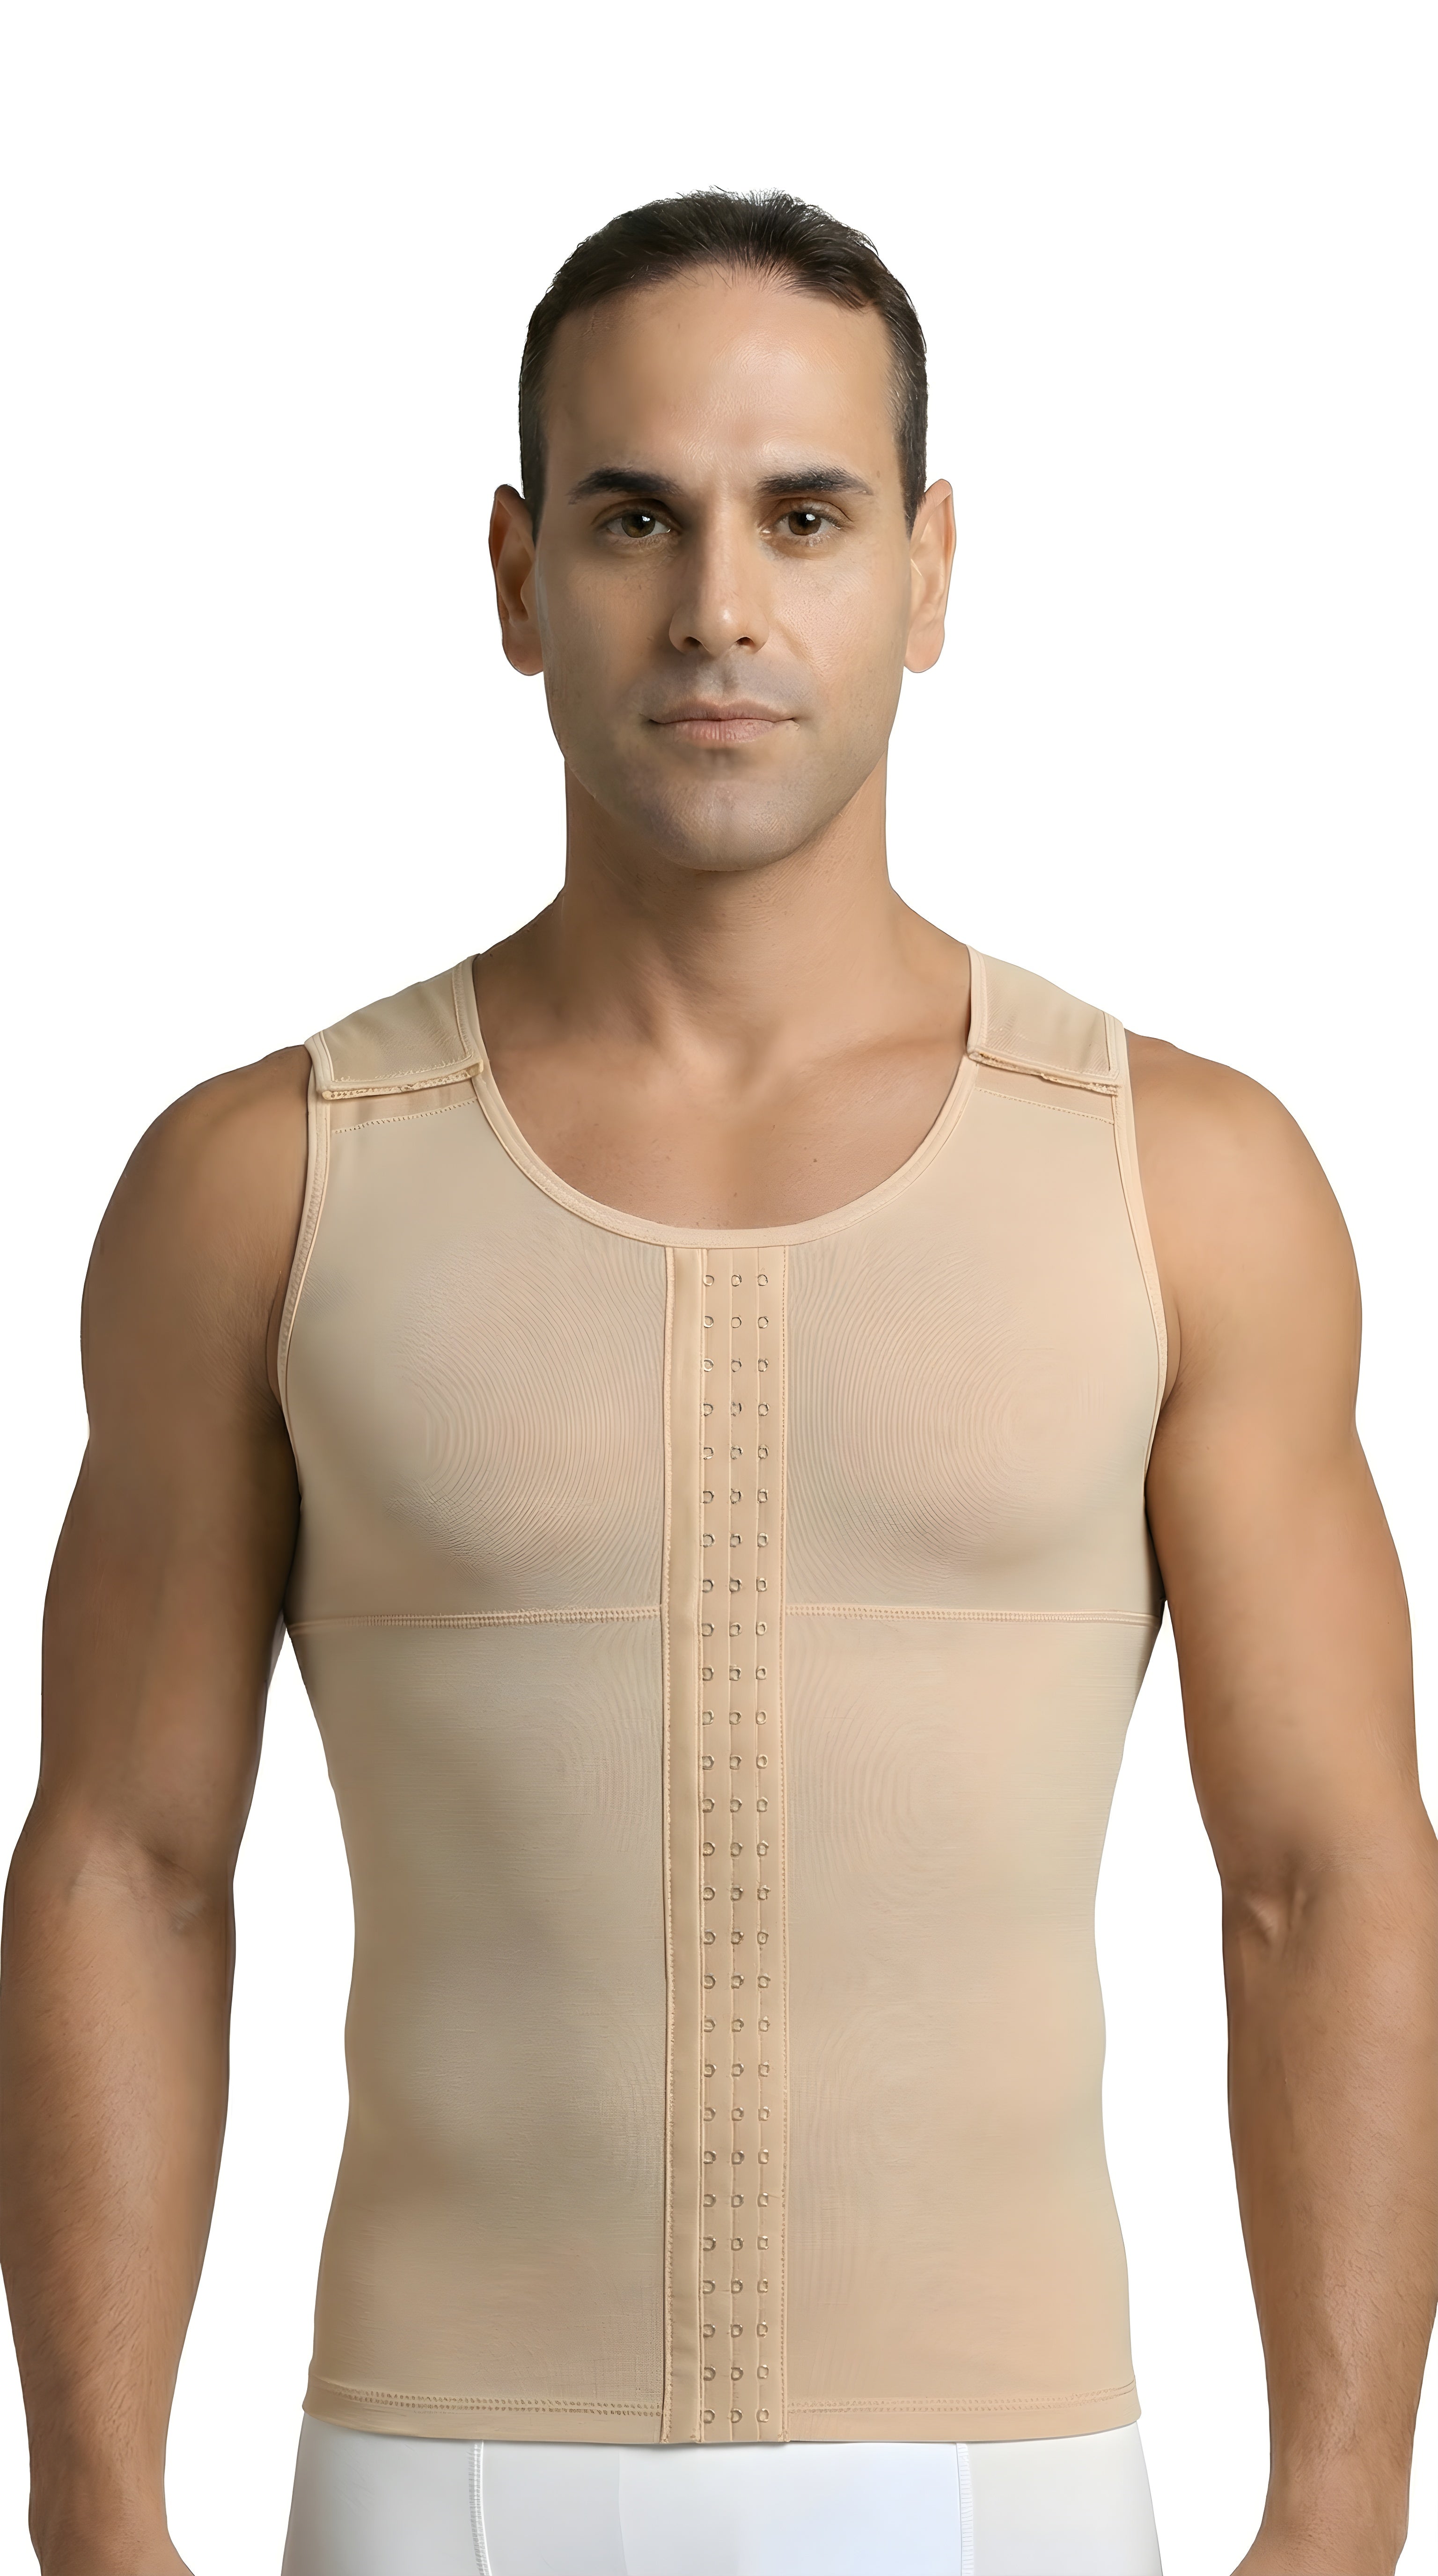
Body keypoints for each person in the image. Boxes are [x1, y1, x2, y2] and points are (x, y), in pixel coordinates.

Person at [1, 188, 1433, 2576]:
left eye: (807, 516)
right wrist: (95, 2512)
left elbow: (1325, 1871)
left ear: (932, 572)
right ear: (516, 573)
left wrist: (1346, 2506)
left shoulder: (1185, 1179)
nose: (720, 611)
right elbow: (129, 1865)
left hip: (1008, 2487)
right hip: (438, 2482)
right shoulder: (268, 1182)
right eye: (636, 516)